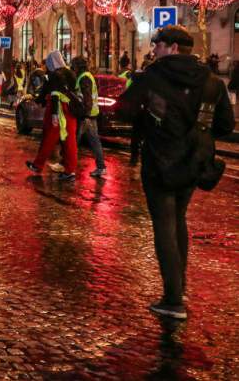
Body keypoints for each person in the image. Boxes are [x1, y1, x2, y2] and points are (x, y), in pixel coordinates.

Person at [118, 25, 234, 320]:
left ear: (171, 47)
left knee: (165, 225)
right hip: (194, 162)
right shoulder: (211, 81)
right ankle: (178, 287)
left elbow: (124, 110)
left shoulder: (154, 76)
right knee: (179, 219)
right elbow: (225, 126)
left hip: (160, 161)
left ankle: (172, 299)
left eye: (157, 44)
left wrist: (150, 117)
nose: (153, 49)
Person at [26, 51, 78, 181]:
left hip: (58, 109)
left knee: (49, 138)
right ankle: (70, 169)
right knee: (69, 140)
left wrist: (53, 113)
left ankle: (38, 165)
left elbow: (53, 94)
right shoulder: (71, 73)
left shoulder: (55, 75)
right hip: (71, 110)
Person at [71, 57, 106, 178]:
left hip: (85, 115)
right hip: (91, 114)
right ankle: (101, 167)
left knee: (73, 141)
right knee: (94, 142)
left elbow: (87, 98)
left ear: (78, 66)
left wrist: (84, 113)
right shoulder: (87, 76)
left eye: (74, 65)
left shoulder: (84, 78)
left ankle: (67, 165)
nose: (72, 68)